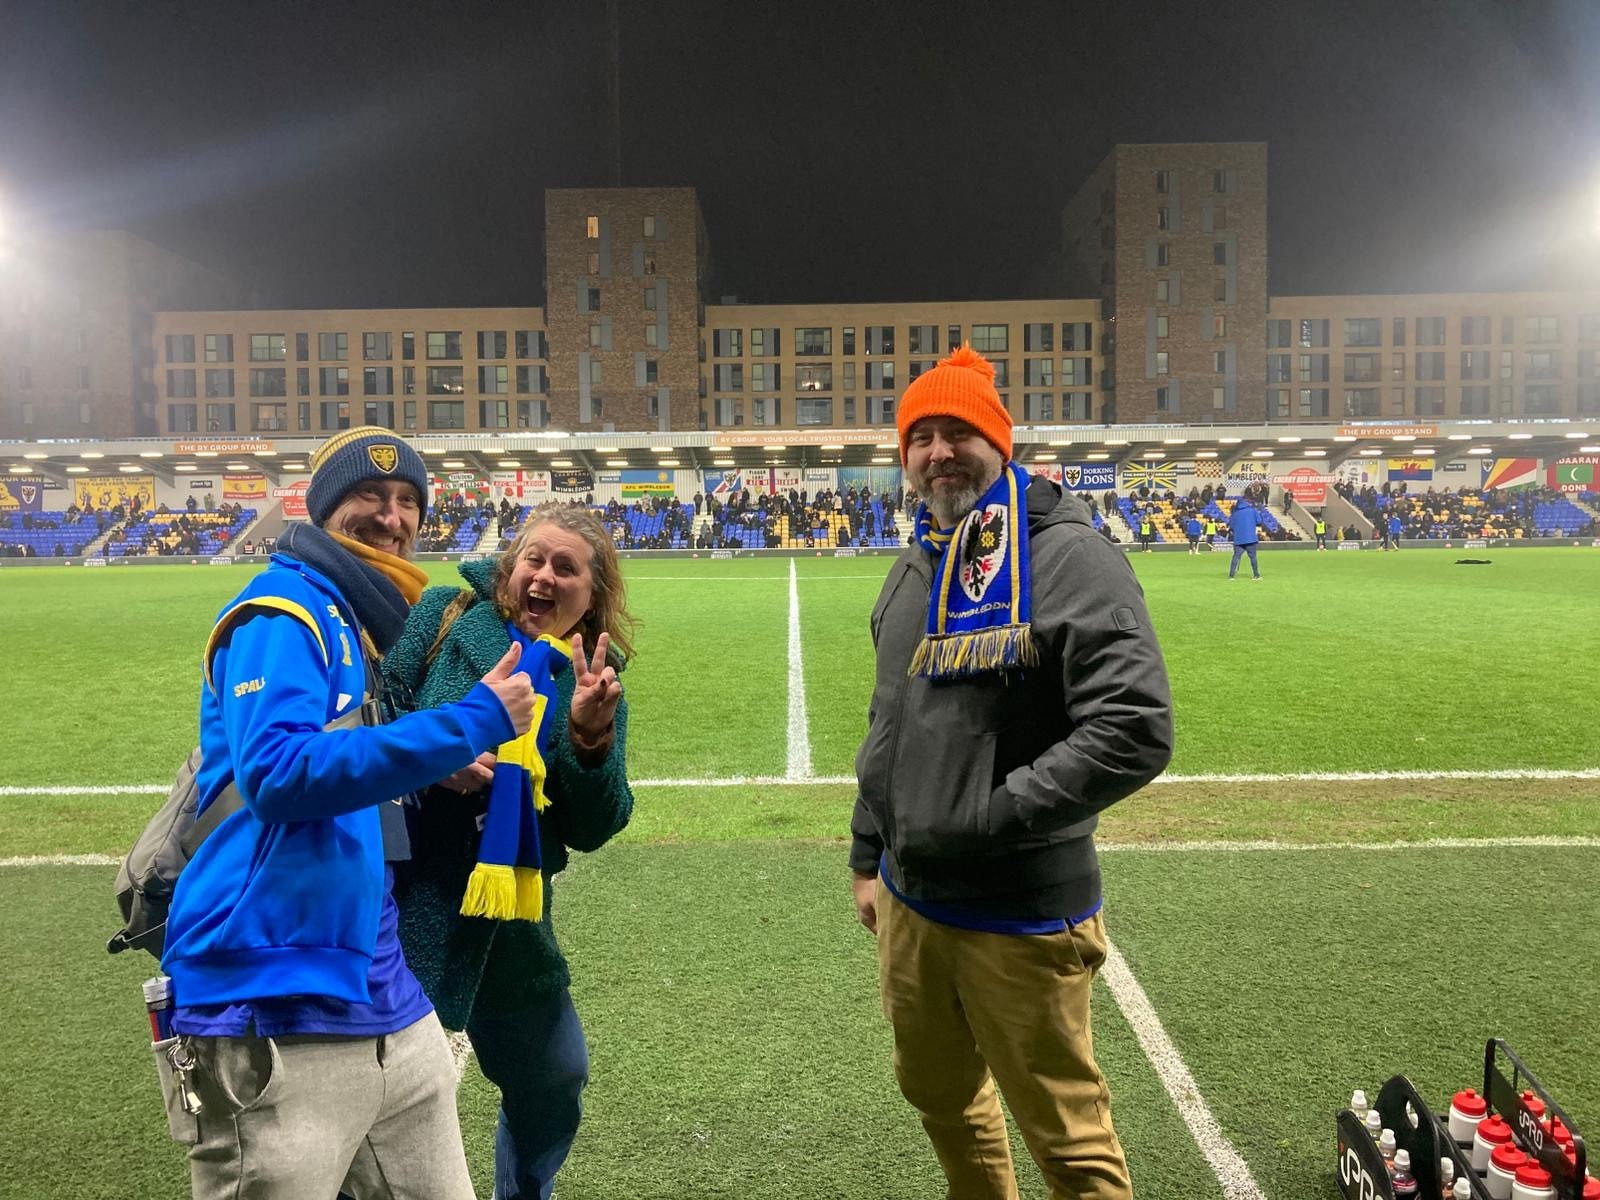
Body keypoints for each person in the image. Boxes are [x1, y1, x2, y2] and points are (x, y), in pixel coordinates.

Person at [161, 427, 534, 1199]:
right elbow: (278, 774)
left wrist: (437, 759)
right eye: (369, 495)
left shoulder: (353, 618)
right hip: (267, 994)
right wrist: (466, 723)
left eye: (407, 502)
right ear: (325, 506)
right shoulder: (281, 610)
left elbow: (346, 761)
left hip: (380, 986)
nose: (390, 516)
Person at [850, 346, 1174, 1200]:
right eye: (921, 437)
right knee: (941, 1098)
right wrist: (865, 851)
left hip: (1019, 914)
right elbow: (891, 721)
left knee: (1066, 1140)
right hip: (914, 901)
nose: (938, 453)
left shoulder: (1066, 554)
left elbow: (1133, 727)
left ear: (1000, 443)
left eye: (960, 432)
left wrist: (987, 819)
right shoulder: (921, 557)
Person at [384, 504, 637, 1200]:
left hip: (514, 923)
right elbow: (374, 713)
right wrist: (438, 756)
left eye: (566, 568)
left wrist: (590, 741)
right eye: (534, 559)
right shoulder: (441, 617)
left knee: (555, 1078)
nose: (545, 576)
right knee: (390, 1098)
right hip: (410, 912)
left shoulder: (592, 673)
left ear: (593, 593)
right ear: (509, 568)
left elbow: (595, 825)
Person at [1228, 496, 1262, 580]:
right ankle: (1256, 575)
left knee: (1236, 556)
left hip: (1239, 539)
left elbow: (1231, 526)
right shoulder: (1252, 510)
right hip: (1250, 538)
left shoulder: (1234, 513)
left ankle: (1231, 575)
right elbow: (1259, 521)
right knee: (1253, 557)